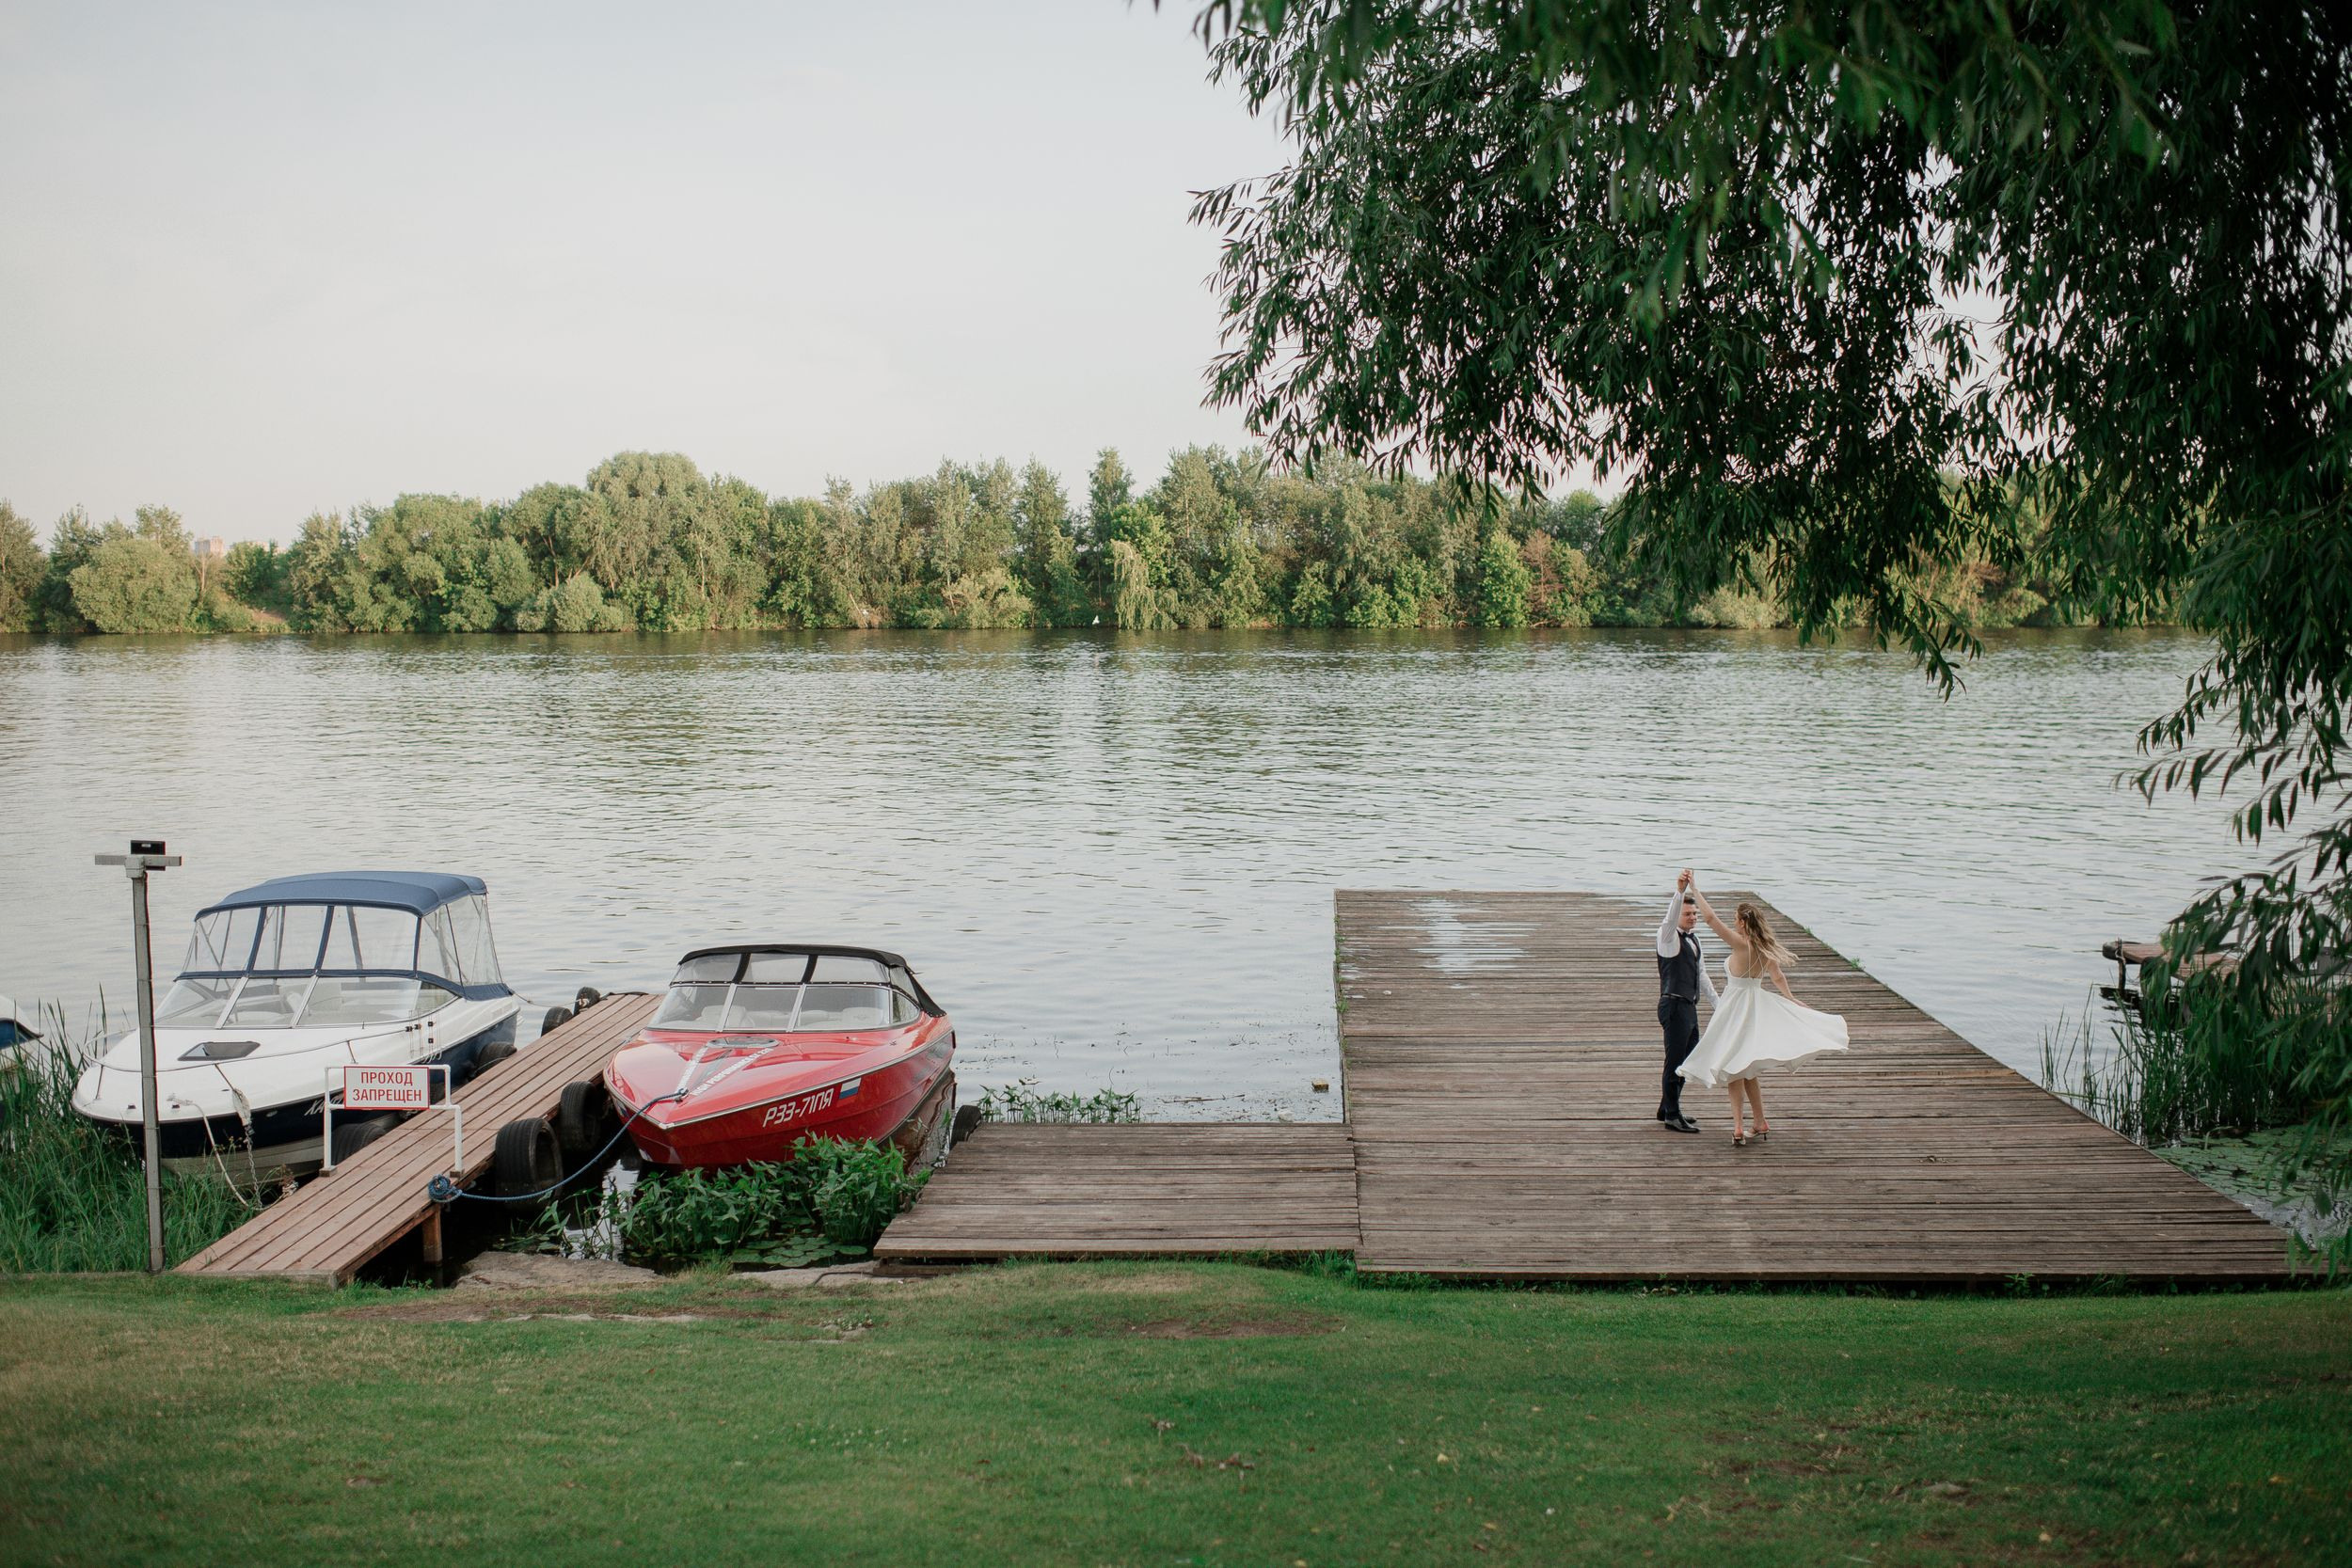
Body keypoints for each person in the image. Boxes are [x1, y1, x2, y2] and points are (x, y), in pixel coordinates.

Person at [1676, 872, 1851, 1146]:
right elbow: (1778, 976)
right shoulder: (1764, 948)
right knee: (1747, 1069)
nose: (1733, 922)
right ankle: (1759, 1121)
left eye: (1736, 919)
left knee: (1733, 1066)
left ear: (1744, 923)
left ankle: (1737, 1127)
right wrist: (1791, 998)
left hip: (1734, 1008)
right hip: (1754, 1006)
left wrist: (1695, 889)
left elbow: (1709, 919)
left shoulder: (1740, 943)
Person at [1653, 873, 1715, 1134]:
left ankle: (1668, 1106)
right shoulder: (1667, 937)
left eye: (1694, 914)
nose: (1692, 917)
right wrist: (1679, 893)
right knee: (1676, 1061)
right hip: (1674, 1006)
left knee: (1689, 1060)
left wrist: (1719, 1005)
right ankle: (1672, 1115)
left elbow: (1702, 976)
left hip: (1689, 1007)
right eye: (1687, 914)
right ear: (1678, 914)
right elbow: (1669, 919)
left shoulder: (1695, 940)